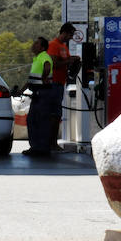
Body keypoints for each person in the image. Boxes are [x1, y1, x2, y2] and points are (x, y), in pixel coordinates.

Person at [46, 22, 80, 151]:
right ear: (64, 33)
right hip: (53, 83)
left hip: (61, 84)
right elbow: (53, 63)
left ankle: (53, 143)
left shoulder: (64, 47)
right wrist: (69, 61)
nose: (71, 38)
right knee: (54, 114)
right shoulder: (53, 45)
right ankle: (51, 143)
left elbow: (66, 63)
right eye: (70, 35)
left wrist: (74, 61)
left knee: (57, 114)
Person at [21, 37, 53, 156]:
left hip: (43, 93)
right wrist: (21, 90)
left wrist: (45, 77)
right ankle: (36, 147)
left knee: (41, 121)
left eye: (36, 43)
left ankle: (42, 148)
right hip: (38, 94)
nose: (33, 45)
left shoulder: (44, 56)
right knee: (33, 120)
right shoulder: (37, 59)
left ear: (42, 47)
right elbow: (31, 80)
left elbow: (47, 65)